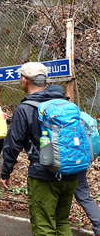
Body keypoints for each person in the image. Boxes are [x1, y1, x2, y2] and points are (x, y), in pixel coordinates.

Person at [0, 62, 78, 236]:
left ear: (24, 80)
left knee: (43, 225)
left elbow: (13, 144)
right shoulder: (64, 103)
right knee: (62, 222)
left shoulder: (25, 108)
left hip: (44, 173)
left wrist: (6, 172)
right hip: (72, 170)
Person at [47, 85, 100, 236]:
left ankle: (55, 226)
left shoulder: (52, 116)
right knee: (83, 195)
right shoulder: (79, 114)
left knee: (55, 193)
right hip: (82, 161)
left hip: (60, 164)